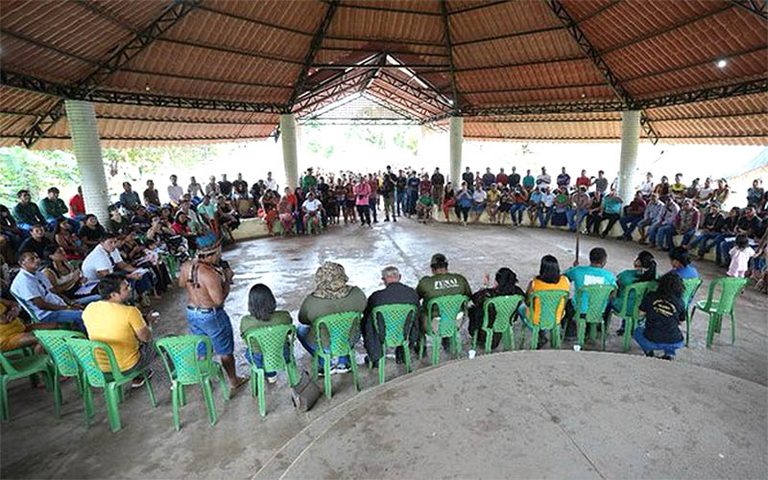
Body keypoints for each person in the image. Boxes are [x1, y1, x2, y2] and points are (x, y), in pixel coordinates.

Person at [178, 233, 246, 389]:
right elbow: (218, 300)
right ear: (215, 251)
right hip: (211, 315)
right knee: (225, 350)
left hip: (192, 312)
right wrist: (227, 279)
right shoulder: (210, 274)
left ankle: (205, 379)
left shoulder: (187, 266)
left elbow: (181, 284)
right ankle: (234, 380)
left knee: (202, 348)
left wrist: (195, 285)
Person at [83, 275, 154, 386]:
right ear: (113, 295)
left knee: (129, 338)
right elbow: (146, 338)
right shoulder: (130, 311)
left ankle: (140, 375)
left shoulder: (89, 308)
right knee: (158, 343)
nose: (130, 289)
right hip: (127, 367)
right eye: (126, 288)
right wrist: (149, 323)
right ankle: (142, 374)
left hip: (102, 367)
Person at [297, 262, 366, 374]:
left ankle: (325, 362)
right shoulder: (357, 293)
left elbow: (303, 320)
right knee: (348, 329)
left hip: (324, 344)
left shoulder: (311, 301)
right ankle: (343, 362)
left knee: (300, 330)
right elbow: (365, 309)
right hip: (350, 338)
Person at [10, 251, 86, 330]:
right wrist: (67, 308)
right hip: (47, 315)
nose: (37, 260)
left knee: (89, 306)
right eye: (32, 259)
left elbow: (54, 292)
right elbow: (41, 305)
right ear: (22, 263)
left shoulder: (38, 273)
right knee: (83, 316)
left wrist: (70, 303)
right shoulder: (24, 281)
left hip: (58, 305)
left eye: (37, 257)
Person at [362, 266, 419, 364]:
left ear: (383, 280)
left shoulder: (376, 296)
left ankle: (375, 356)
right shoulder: (412, 293)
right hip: (405, 333)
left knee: (367, 321)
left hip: (383, 334)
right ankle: (403, 353)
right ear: (399, 277)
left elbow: (366, 315)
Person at [416, 254, 472, 348]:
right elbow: (468, 297)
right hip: (457, 322)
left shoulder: (425, 282)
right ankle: (448, 340)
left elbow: (415, 299)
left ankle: (421, 347)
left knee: (417, 313)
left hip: (434, 324)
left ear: (432, 269)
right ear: (446, 266)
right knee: (451, 312)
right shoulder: (460, 279)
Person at [239, 284, 292, 383]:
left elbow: (245, 339)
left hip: (259, 360)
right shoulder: (284, 316)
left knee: (247, 352)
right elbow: (289, 332)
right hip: (283, 354)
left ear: (251, 303)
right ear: (271, 299)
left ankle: (269, 374)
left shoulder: (246, 322)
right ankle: (275, 372)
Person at [468, 267, 525, 351]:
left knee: (473, 309)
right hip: (506, 321)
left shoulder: (488, 293)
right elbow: (524, 297)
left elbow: (474, 298)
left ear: (497, 282)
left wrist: (485, 286)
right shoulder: (518, 292)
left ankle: (475, 334)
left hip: (488, 326)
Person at [564, 248, 617, 337]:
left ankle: (570, 330)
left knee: (566, 303)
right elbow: (613, 293)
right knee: (609, 303)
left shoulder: (577, 270)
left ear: (590, 258)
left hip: (579, 310)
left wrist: (574, 269)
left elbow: (564, 278)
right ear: (604, 261)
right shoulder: (609, 276)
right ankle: (597, 329)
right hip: (599, 311)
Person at [633, 272, 686, 360]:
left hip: (652, 338)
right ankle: (669, 354)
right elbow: (681, 322)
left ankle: (649, 351)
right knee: (672, 332)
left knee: (637, 331)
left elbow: (641, 313)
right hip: (675, 341)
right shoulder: (680, 302)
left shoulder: (651, 296)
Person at [519, 255, 570, 345]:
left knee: (521, 308)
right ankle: (552, 336)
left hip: (536, 319)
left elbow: (528, 302)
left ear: (542, 268)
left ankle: (539, 333)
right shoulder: (565, 281)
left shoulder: (534, 283)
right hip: (557, 317)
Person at [614, 250, 657, 335]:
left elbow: (616, 285)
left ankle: (603, 325)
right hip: (643, 309)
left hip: (624, 308)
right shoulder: (654, 278)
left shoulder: (625, 275)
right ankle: (638, 325)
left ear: (639, 262)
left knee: (611, 300)